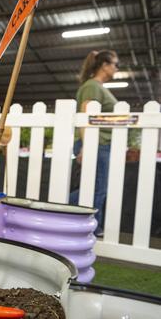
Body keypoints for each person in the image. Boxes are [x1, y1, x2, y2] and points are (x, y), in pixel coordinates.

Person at [69, 50, 119, 237]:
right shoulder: (92, 86)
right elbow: (85, 117)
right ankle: (91, 226)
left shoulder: (97, 87)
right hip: (96, 144)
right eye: (115, 64)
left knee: (93, 187)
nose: (116, 68)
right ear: (104, 65)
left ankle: (72, 215)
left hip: (100, 144)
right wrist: (86, 146)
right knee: (98, 188)